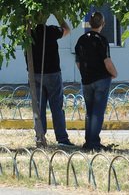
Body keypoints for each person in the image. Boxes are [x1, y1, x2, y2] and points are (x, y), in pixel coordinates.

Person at [75, 11, 118, 152]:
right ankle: (94, 143)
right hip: (101, 80)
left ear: (90, 24)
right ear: (103, 24)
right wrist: (114, 73)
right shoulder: (101, 40)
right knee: (97, 112)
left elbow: (78, 63)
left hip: (86, 80)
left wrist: (85, 74)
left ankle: (89, 142)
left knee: (89, 111)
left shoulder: (81, 40)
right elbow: (107, 61)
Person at [27, 17, 74, 147]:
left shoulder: (27, 32)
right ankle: (62, 139)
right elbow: (67, 30)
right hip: (52, 73)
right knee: (56, 107)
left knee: (39, 108)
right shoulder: (51, 31)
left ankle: (40, 137)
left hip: (34, 74)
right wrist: (59, 17)